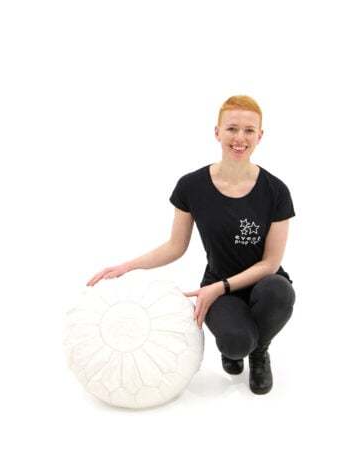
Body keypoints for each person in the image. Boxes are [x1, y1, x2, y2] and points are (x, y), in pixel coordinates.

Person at [87, 95, 296, 395]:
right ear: (217, 132)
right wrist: (127, 266)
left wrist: (221, 286)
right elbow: (175, 246)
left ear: (259, 136)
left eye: (249, 130)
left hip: (262, 283)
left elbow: (270, 263)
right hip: (218, 288)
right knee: (236, 344)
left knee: (279, 292)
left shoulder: (276, 191)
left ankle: (260, 351)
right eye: (232, 129)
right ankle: (241, 345)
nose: (240, 138)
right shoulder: (191, 186)